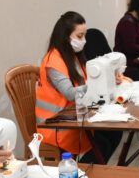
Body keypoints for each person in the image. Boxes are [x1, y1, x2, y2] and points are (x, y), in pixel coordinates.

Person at [35, 11, 125, 163]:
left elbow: (85, 83)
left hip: (75, 116)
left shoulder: (73, 57)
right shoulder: (53, 62)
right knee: (102, 144)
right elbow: (71, 93)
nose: (84, 41)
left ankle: (93, 172)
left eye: (84, 36)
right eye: (79, 36)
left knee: (114, 134)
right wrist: (99, 83)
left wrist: (109, 80)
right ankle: (78, 172)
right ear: (65, 36)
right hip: (56, 125)